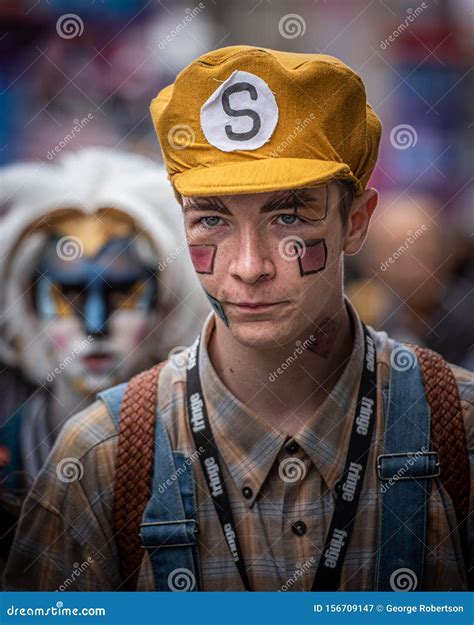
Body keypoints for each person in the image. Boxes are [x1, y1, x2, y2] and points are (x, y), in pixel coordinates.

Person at [4, 46, 472, 592]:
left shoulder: (458, 433)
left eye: (289, 216)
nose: (249, 267)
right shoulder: (97, 459)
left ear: (355, 222)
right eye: (212, 220)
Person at [0, 148, 209, 572]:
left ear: (165, 305)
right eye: (69, 293)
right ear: (28, 302)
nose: (96, 325)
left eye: (123, 291)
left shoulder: (203, 432)